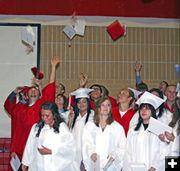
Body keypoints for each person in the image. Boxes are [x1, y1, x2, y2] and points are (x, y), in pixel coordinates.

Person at [7, 56, 59, 166]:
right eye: (31, 90)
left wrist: (53, 67)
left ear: (39, 94)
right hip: (19, 149)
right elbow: (8, 106)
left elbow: (50, 88)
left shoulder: (41, 106)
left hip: (36, 147)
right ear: (26, 95)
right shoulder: (19, 109)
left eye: (36, 90)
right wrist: (14, 92)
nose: (33, 92)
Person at [21, 101, 78, 171]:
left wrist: (51, 151)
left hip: (55, 166)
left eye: (47, 115)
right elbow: (30, 145)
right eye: (42, 115)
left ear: (54, 114)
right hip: (38, 164)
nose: (44, 118)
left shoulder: (62, 128)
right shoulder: (36, 127)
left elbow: (69, 148)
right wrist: (25, 162)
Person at [123, 91, 165, 171]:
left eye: (147, 108)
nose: (144, 111)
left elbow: (163, 152)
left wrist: (155, 167)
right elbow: (128, 153)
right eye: (142, 108)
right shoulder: (133, 131)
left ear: (153, 111)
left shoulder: (160, 130)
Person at [82, 97, 126, 171]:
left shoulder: (117, 127)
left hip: (111, 166)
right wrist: (91, 153)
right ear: (98, 107)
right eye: (103, 105)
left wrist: (114, 155)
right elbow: (86, 143)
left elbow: (123, 147)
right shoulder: (90, 125)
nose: (106, 107)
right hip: (94, 164)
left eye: (108, 105)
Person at [69, 88, 95, 170]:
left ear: (88, 102)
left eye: (84, 102)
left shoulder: (93, 115)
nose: (81, 104)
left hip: (88, 152)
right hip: (75, 152)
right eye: (79, 102)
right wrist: (70, 121)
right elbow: (67, 134)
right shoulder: (73, 116)